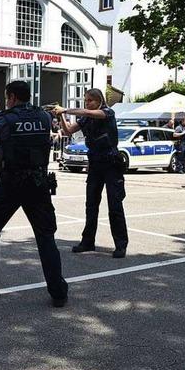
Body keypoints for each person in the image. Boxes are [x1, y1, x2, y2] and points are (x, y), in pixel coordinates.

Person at [0, 80, 68, 307]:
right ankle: (58, 292)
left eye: (6, 97)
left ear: (12, 97)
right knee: (45, 236)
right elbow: (8, 125)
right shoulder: (43, 117)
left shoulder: (8, 119)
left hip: (11, 184)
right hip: (38, 184)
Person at [54, 88, 128, 258]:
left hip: (111, 163)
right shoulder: (87, 118)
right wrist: (61, 116)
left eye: (90, 100)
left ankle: (120, 245)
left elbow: (89, 112)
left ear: (99, 101)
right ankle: (87, 241)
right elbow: (68, 131)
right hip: (95, 164)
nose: (87, 103)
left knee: (115, 205)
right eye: (86, 100)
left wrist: (65, 109)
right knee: (91, 205)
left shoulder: (107, 112)